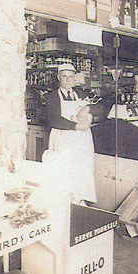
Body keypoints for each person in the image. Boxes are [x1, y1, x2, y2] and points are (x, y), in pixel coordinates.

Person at [45, 63, 103, 204]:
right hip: (63, 139)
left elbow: (101, 108)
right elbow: (54, 119)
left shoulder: (81, 93)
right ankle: (65, 201)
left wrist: (87, 108)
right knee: (64, 170)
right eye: (64, 77)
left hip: (81, 140)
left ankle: (80, 200)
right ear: (59, 78)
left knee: (81, 169)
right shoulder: (52, 97)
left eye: (71, 77)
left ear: (74, 78)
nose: (68, 80)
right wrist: (77, 126)